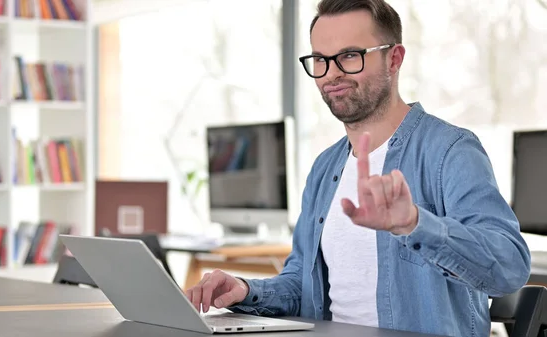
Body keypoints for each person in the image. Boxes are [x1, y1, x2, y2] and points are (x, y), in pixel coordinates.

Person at [184, 0, 532, 336]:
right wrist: (244, 290)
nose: (332, 74)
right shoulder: (325, 167)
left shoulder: (450, 151)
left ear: (394, 58)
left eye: (350, 56)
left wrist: (414, 223)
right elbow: (302, 285)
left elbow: (509, 269)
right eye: (320, 60)